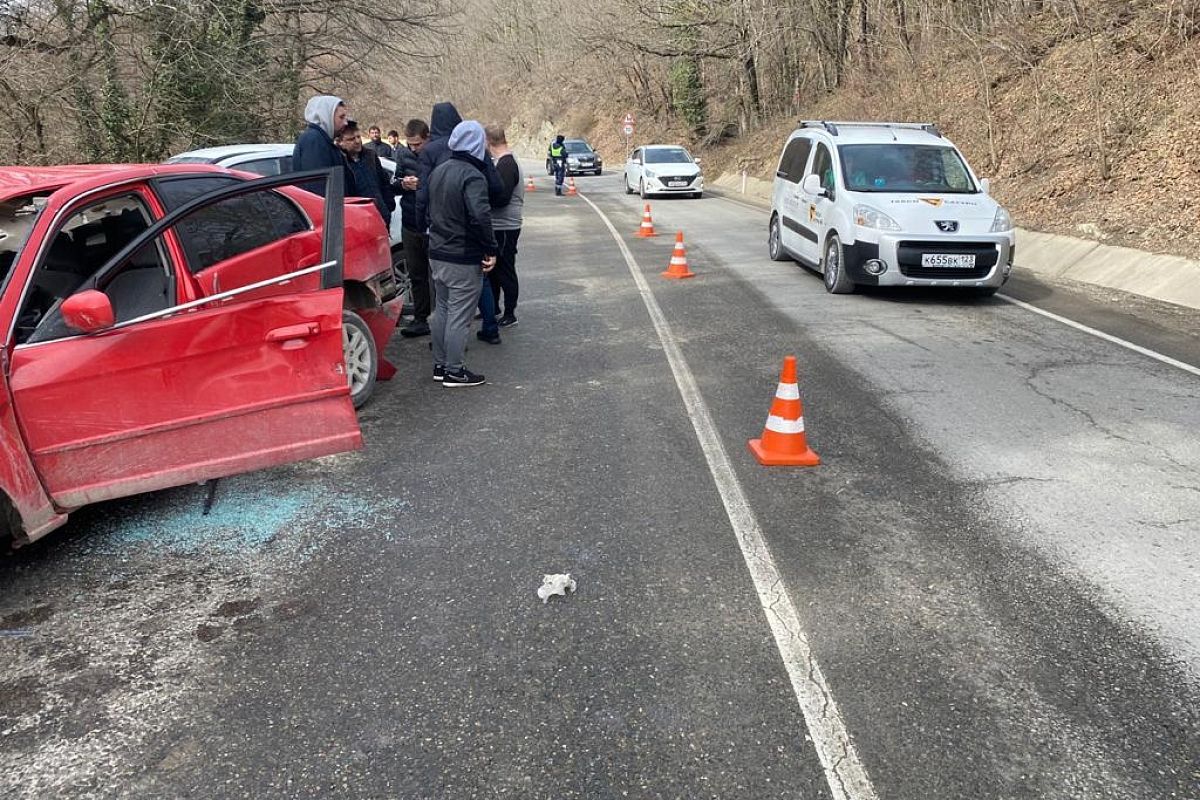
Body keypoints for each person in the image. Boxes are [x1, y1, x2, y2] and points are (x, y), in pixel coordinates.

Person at [427, 120, 498, 387]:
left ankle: (440, 364)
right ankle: (455, 371)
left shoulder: (439, 170)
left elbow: (428, 208)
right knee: (460, 315)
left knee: (443, 309)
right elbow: (480, 215)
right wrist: (490, 248)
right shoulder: (473, 175)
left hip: (437, 251)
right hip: (462, 253)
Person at [396, 119, 432, 337]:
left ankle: (444, 322)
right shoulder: (402, 154)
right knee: (416, 274)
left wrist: (424, 185)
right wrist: (402, 183)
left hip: (430, 223)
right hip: (410, 221)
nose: (414, 148)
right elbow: (393, 180)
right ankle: (421, 318)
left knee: (438, 275)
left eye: (417, 144)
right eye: (410, 144)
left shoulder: (435, 155)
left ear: (427, 138)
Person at [486, 124, 523, 326]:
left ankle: (510, 313)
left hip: (506, 225)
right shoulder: (501, 161)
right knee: (494, 270)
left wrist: (482, 200)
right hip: (500, 224)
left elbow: (502, 198)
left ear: (488, 141)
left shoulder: (507, 164)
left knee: (505, 268)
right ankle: (494, 307)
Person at [292, 95, 357, 197]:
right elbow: (318, 189)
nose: (345, 122)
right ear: (326, 116)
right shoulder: (314, 141)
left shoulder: (323, 140)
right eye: (341, 117)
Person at [336, 120, 394, 226]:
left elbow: (384, 182)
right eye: (351, 139)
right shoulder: (339, 162)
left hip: (381, 217)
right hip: (359, 222)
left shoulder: (370, 156)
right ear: (340, 142)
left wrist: (388, 206)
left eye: (358, 137)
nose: (357, 141)